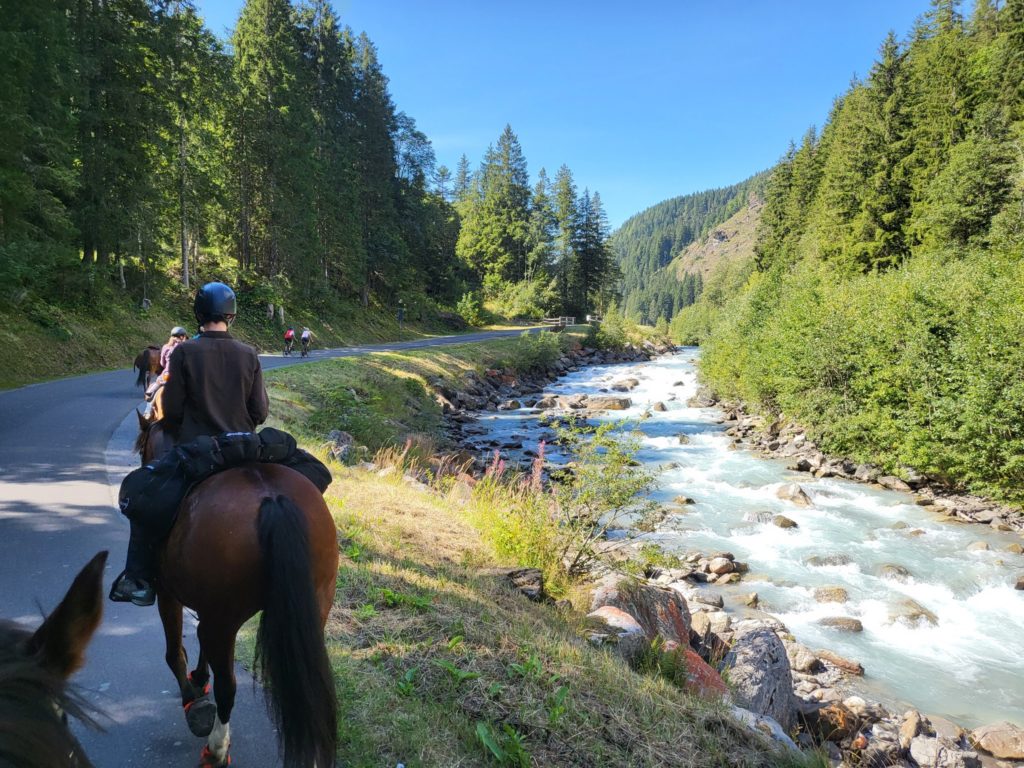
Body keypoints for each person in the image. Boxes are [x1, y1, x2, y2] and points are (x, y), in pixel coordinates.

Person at [111, 282, 269, 606]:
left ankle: (139, 579)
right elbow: (260, 411)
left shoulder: (185, 352)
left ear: (199, 314)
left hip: (198, 454)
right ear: (231, 315)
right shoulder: (249, 354)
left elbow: (173, 411)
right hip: (243, 450)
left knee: (147, 498)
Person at [142, 327, 188, 418]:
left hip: (167, 375)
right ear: (183, 336)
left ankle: (148, 411)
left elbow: (162, 363)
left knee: (154, 390)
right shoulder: (187, 347)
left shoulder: (166, 347)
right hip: (183, 376)